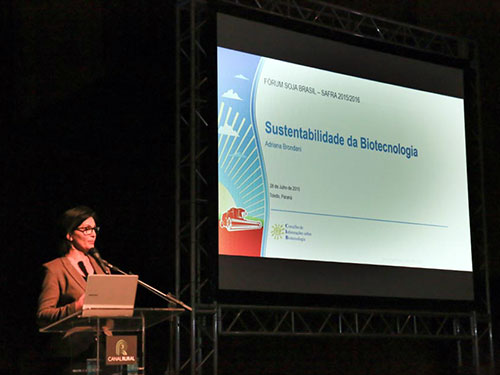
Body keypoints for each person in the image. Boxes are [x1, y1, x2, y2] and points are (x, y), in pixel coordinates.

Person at [37, 205, 109, 373]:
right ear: (69, 235)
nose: (93, 233)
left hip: (105, 352)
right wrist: (76, 306)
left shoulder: (102, 267)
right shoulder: (54, 269)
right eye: (86, 229)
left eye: (94, 228)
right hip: (73, 356)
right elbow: (43, 315)